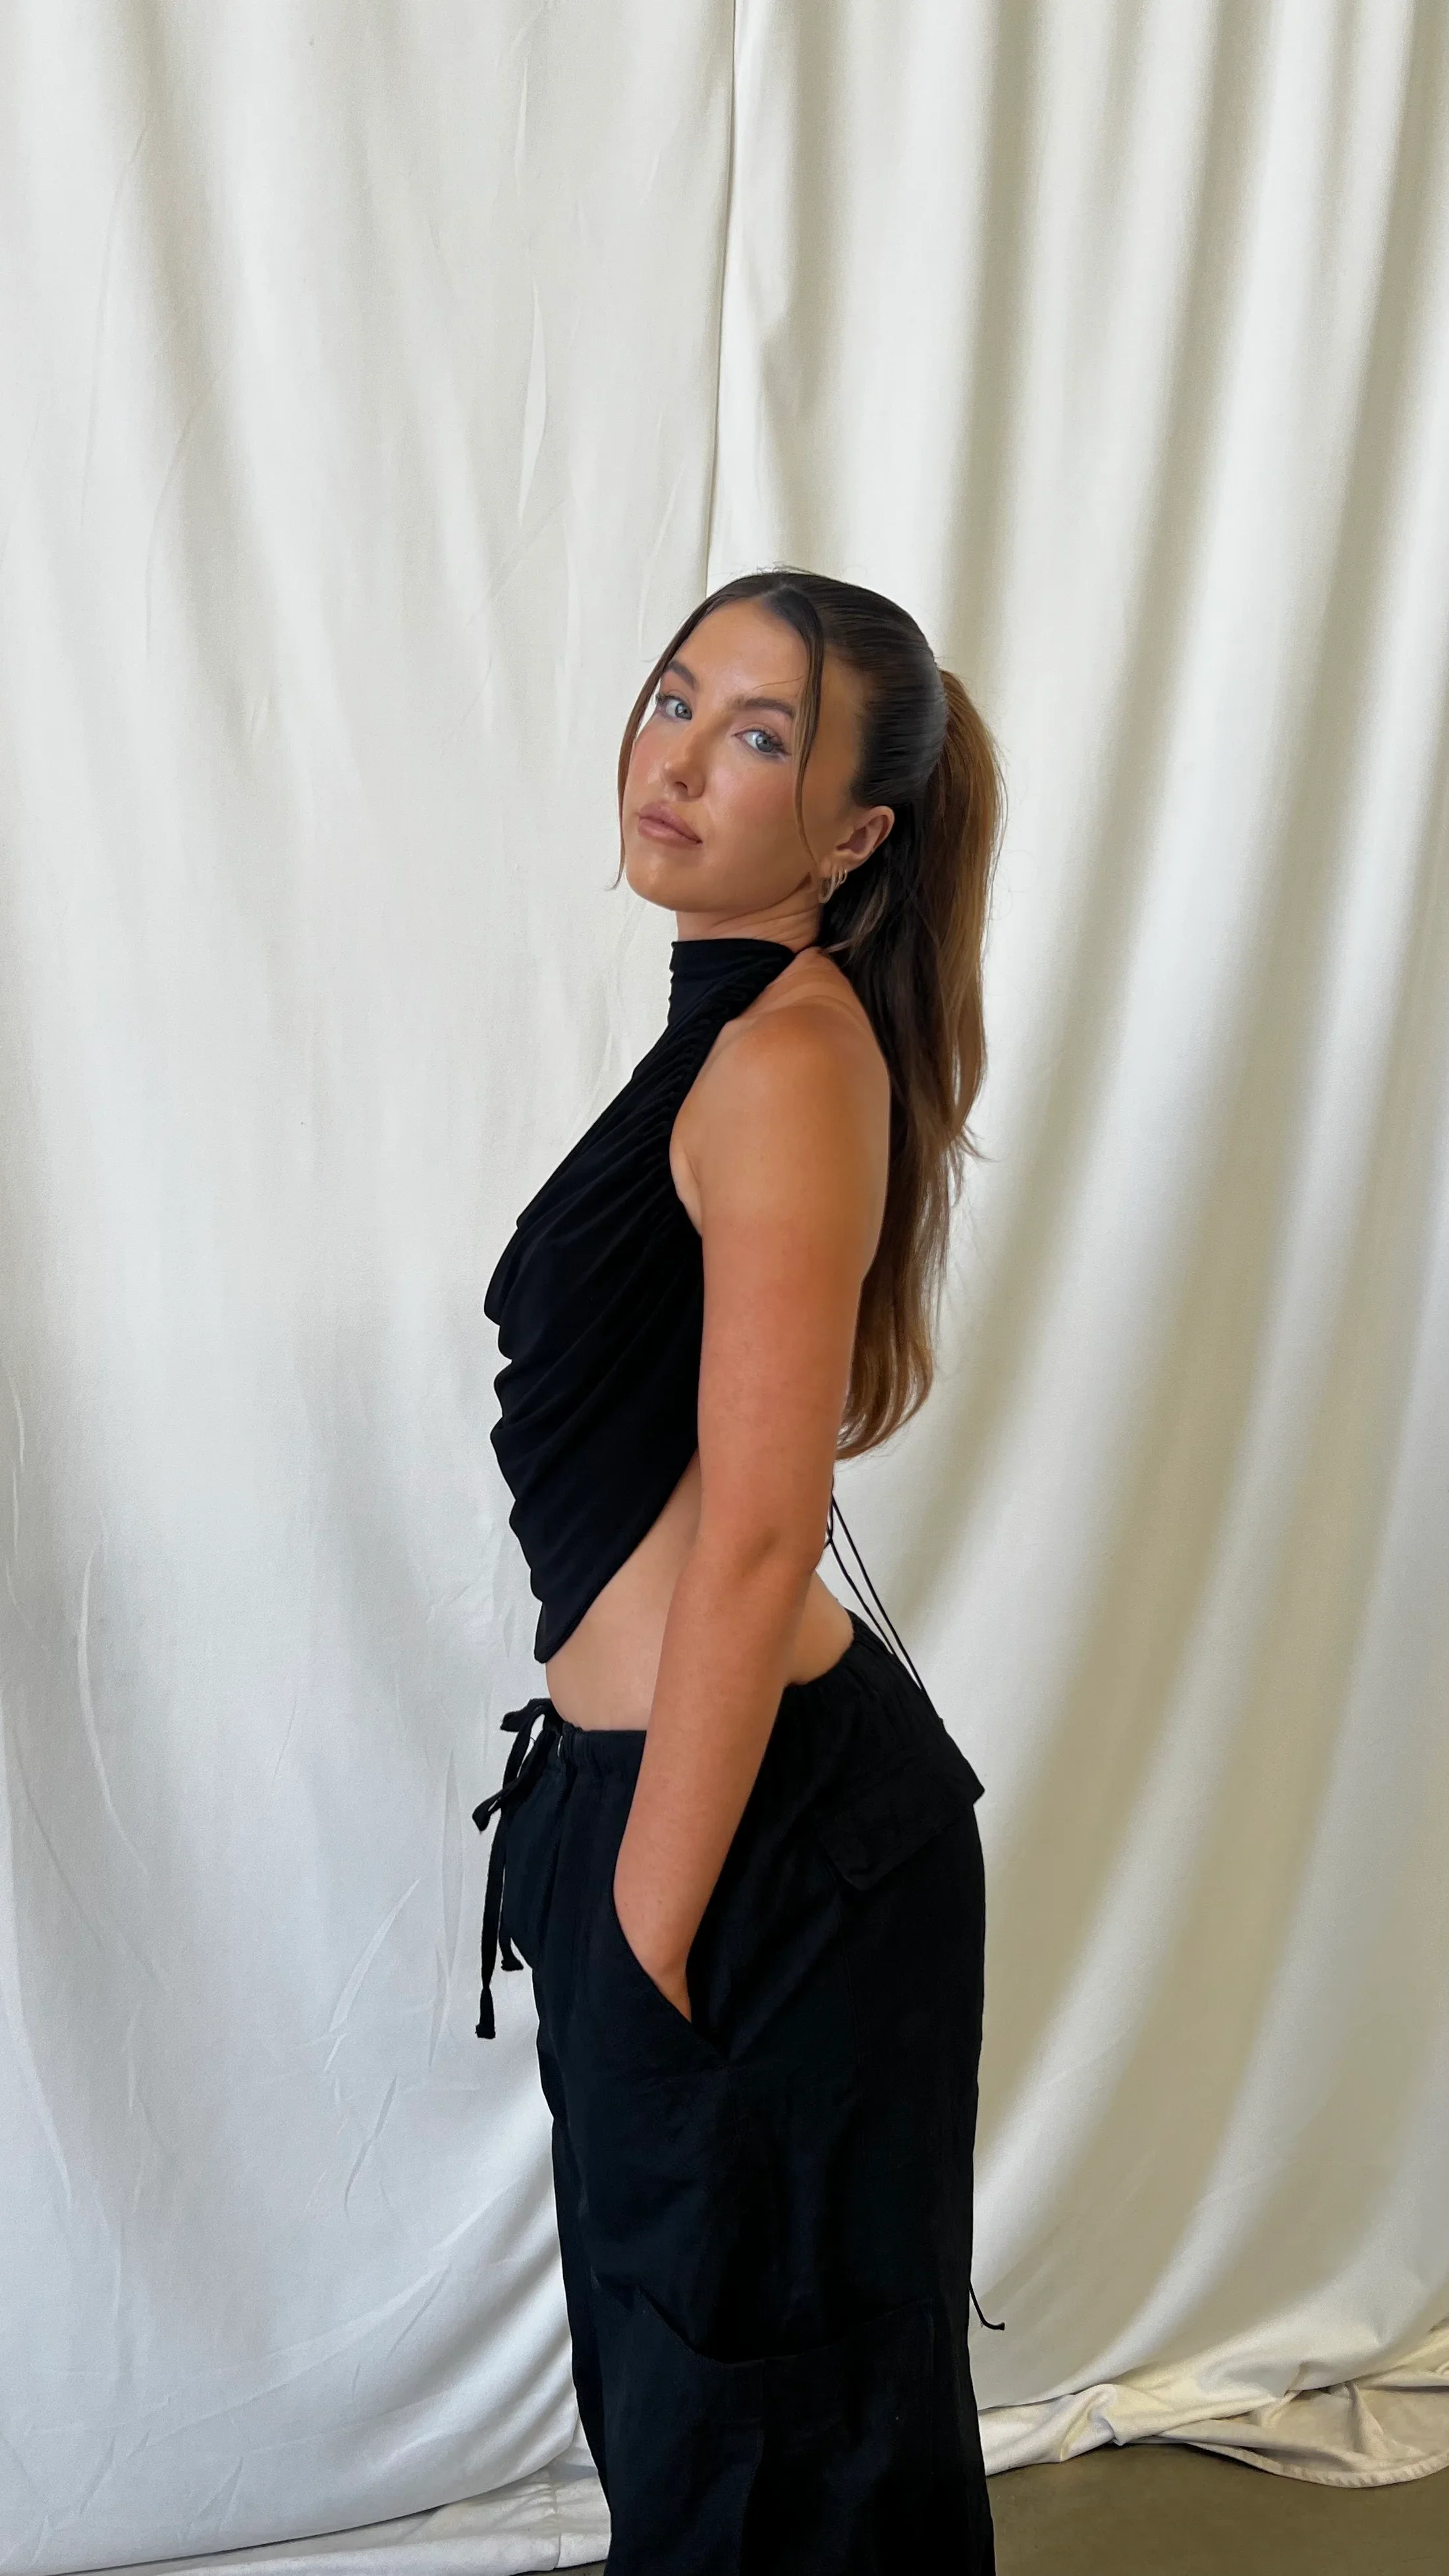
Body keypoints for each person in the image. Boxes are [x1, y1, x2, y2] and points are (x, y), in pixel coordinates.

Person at [474, 568, 1004, 2573]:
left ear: (854, 835)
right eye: (676, 697)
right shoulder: (729, 1040)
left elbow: (765, 1527)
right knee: (691, 2408)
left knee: (769, 2438)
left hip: (759, 1849)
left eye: (759, 734)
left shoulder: (787, 1058)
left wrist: (648, 1922)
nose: (680, 756)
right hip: (674, 1803)